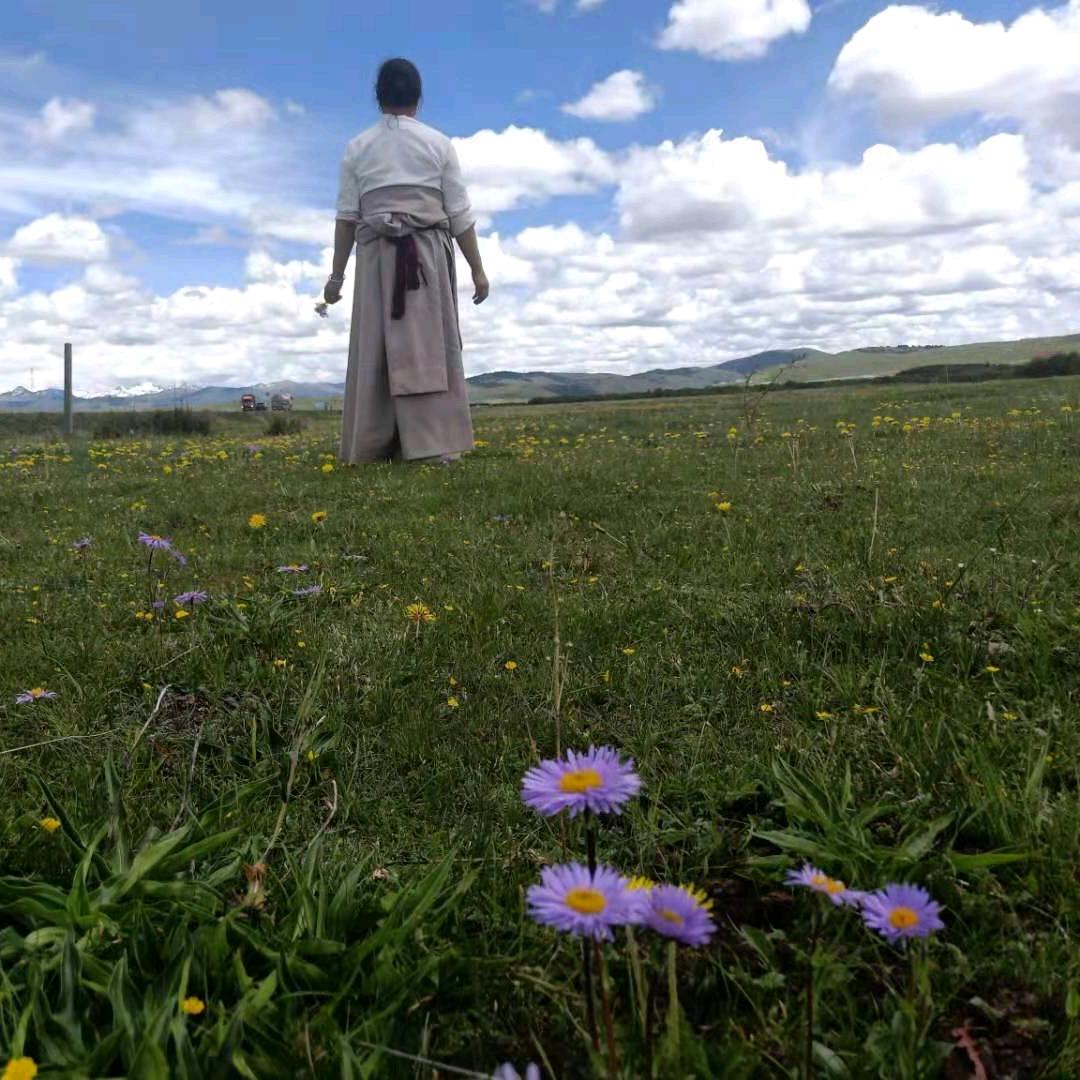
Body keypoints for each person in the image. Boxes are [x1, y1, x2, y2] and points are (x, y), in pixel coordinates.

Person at [324, 58, 489, 464]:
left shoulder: (357, 147)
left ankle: (374, 444)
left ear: (378, 97)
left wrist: (336, 276)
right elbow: (459, 215)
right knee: (428, 344)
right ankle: (434, 444)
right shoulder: (439, 144)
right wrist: (478, 269)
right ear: (418, 97)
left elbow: (346, 219)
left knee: (377, 346)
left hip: (377, 260)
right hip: (426, 257)